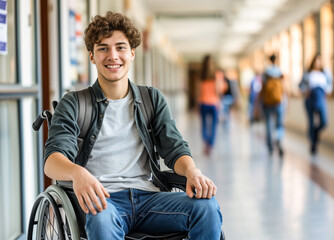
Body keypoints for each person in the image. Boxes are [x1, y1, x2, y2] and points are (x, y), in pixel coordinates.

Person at [44, 12, 222, 239]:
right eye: (103, 48)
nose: (113, 56)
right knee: (100, 220)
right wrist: (78, 174)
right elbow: (52, 161)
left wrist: (192, 171)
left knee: (206, 208)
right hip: (103, 201)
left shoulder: (151, 99)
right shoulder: (75, 103)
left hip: (150, 199)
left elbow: (174, 147)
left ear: (132, 53)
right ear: (91, 56)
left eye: (120, 47)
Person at [299, 53, 333, 154]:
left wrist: (326, 90)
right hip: (310, 99)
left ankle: (315, 133)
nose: (317, 63)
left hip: (321, 98)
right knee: (311, 122)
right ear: (313, 62)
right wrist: (306, 90)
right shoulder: (308, 73)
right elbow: (301, 86)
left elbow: (330, 85)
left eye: (319, 61)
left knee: (323, 122)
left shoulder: (325, 72)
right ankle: (313, 143)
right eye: (316, 60)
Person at [260, 54, 285, 157]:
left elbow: (262, 88)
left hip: (267, 103)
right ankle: (279, 139)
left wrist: (259, 101)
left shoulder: (265, 73)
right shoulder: (280, 72)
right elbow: (283, 88)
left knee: (269, 124)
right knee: (279, 124)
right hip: (278, 102)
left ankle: (270, 147)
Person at [198, 55, 222, 155]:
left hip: (203, 102)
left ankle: (206, 143)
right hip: (213, 103)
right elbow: (218, 90)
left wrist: (197, 104)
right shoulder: (216, 74)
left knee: (204, 124)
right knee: (213, 125)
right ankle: (211, 146)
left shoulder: (201, 76)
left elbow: (198, 92)